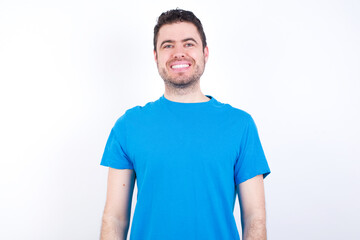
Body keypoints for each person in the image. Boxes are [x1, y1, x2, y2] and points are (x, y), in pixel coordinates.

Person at [100, 9, 270, 240]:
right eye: (168, 45)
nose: (178, 53)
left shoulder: (240, 125)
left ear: (205, 53)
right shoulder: (128, 126)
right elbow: (114, 218)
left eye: (188, 44)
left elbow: (254, 217)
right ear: (156, 56)